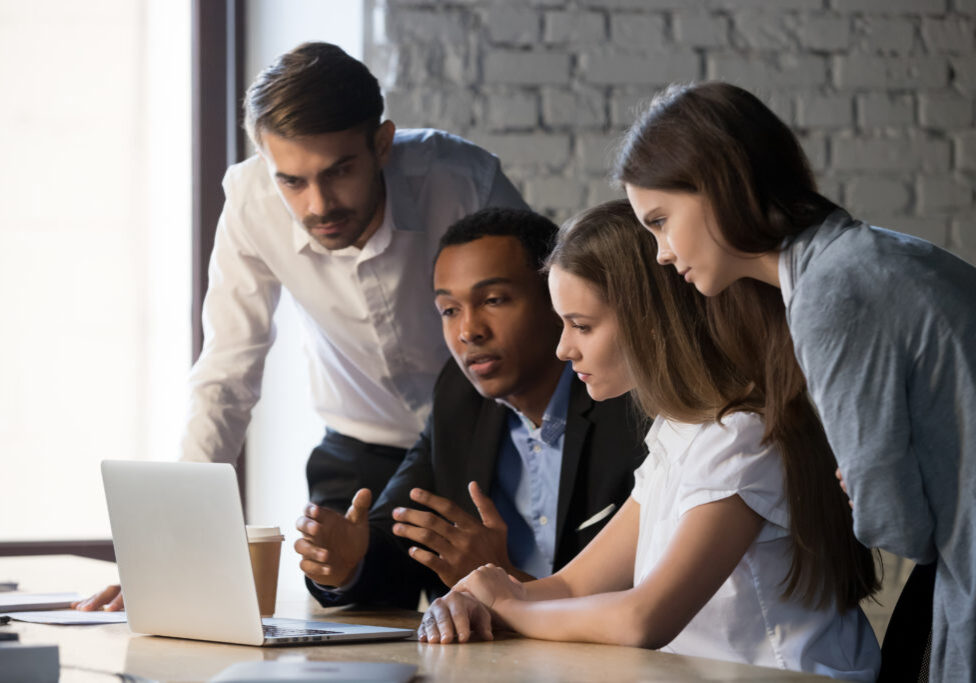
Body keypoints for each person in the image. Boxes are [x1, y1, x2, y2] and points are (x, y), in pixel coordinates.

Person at [72, 42, 527, 612]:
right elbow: (226, 374)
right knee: (343, 606)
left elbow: (543, 314)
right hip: (359, 445)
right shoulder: (250, 201)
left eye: (338, 171)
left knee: (488, 607)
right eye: (292, 181)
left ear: (382, 144)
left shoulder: (464, 180)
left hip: (480, 433)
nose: (319, 204)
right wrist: (167, 553)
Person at [417, 200, 880, 680]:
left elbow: (645, 619)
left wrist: (508, 606)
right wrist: (476, 595)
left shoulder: (741, 436)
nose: (562, 348)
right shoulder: (678, 430)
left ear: (649, 320)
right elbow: (575, 586)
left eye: (581, 325)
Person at [614, 81, 976, 682]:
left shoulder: (830, 292)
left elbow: (898, 526)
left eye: (660, 221)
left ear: (718, 185)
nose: (659, 254)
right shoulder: (872, 256)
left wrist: (870, 488)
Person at [296, 207, 647, 608]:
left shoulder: (632, 406)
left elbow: (644, 600)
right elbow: (400, 543)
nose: (468, 331)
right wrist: (347, 564)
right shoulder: (460, 396)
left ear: (556, 299)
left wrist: (504, 583)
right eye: (449, 310)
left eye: (494, 300)